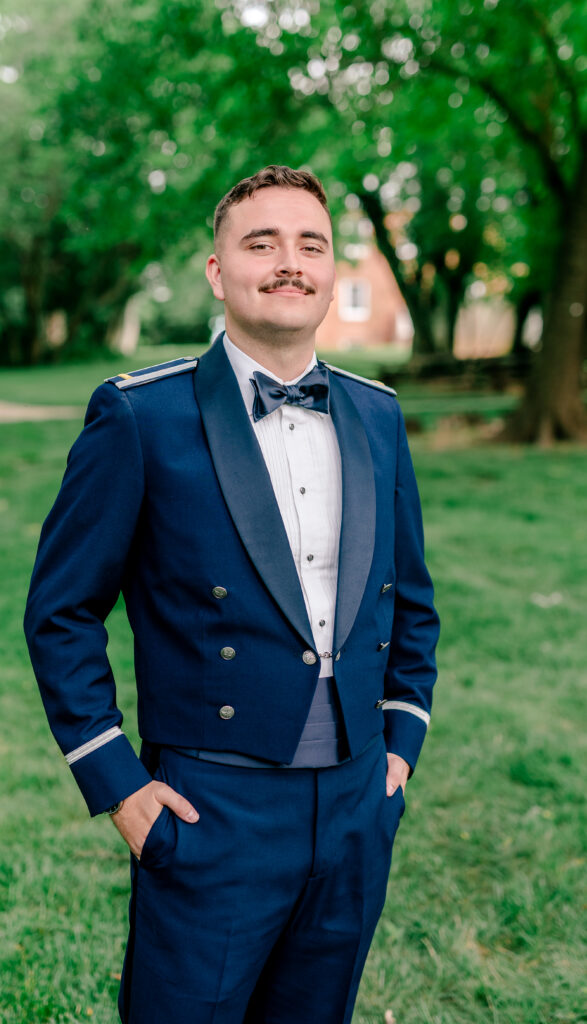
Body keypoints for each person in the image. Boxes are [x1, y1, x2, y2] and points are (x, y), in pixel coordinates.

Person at [24, 164, 439, 1024]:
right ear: (218, 272)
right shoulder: (140, 417)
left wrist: (400, 740)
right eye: (261, 243)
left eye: (309, 244)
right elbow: (62, 611)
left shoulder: (378, 414)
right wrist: (116, 783)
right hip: (212, 807)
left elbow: (410, 598)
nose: (289, 261)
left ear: (329, 271)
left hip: (360, 802)